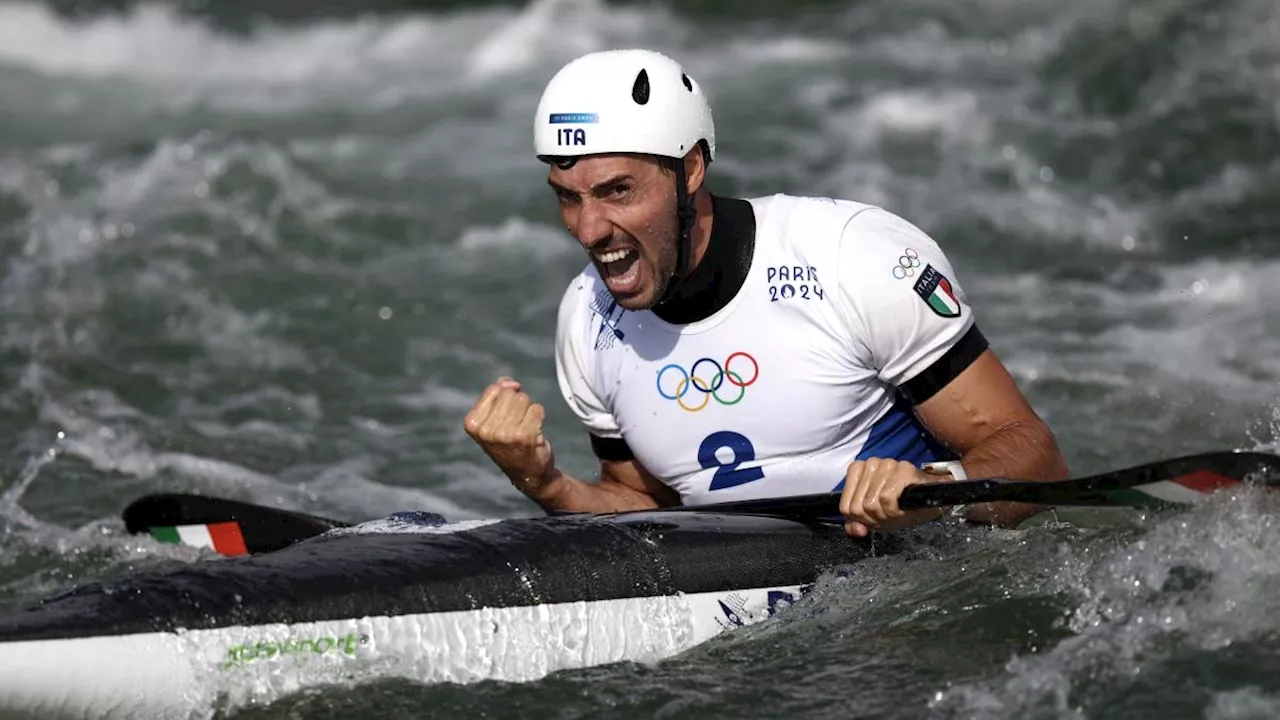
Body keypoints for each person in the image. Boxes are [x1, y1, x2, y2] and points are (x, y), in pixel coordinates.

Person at [464, 48, 1068, 537]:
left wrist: (935, 489)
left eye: (617, 191)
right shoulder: (586, 318)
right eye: (568, 197)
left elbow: (1034, 458)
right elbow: (642, 509)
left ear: (691, 169)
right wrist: (544, 484)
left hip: (917, 585)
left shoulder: (850, 258)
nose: (589, 229)